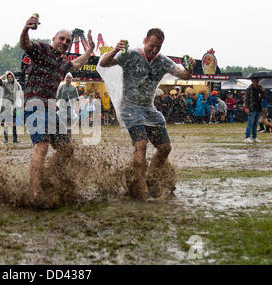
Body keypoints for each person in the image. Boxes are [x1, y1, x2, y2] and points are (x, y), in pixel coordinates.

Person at [98, 28, 196, 201]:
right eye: (152, 46)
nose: (154, 50)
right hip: (129, 107)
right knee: (141, 144)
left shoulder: (163, 61)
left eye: (158, 47)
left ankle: (151, 175)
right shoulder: (131, 55)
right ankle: (140, 186)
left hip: (149, 110)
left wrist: (190, 67)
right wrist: (115, 49)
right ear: (145, 41)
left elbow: (183, 74)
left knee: (165, 148)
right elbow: (104, 63)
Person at [20, 15, 95, 207]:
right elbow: (25, 44)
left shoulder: (63, 63)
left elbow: (77, 63)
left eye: (68, 41)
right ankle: (35, 194)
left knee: (67, 149)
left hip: (51, 110)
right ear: (53, 39)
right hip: (34, 105)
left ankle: (50, 176)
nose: (64, 42)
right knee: (42, 146)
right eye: (61, 38)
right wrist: (26, 29)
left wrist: (90, 50)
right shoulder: (42, 49)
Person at [0, 71, 23, 143]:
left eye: (11, 77)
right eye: (8, 77)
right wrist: (5, 74)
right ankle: (6, 139)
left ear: (13, 77)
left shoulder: (16, 85)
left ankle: (15, 139)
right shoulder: (5, 83)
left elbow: (19, 94)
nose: (10, 78)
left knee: (14, 122)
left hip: (14, 104)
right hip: (6, 104)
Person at [244, 78, 266, 143]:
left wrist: (263, 91)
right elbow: (246, 99)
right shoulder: (249, 89)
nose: (256, 82)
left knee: (256, 124)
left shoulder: (260, 89)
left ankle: (254, 137)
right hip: (252, 108)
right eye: (254, 81)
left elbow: (264, 97)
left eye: (257, 81)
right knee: (250, 123)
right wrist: (246, 107)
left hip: (258, 108)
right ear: (252, 81)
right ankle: (247, 137)